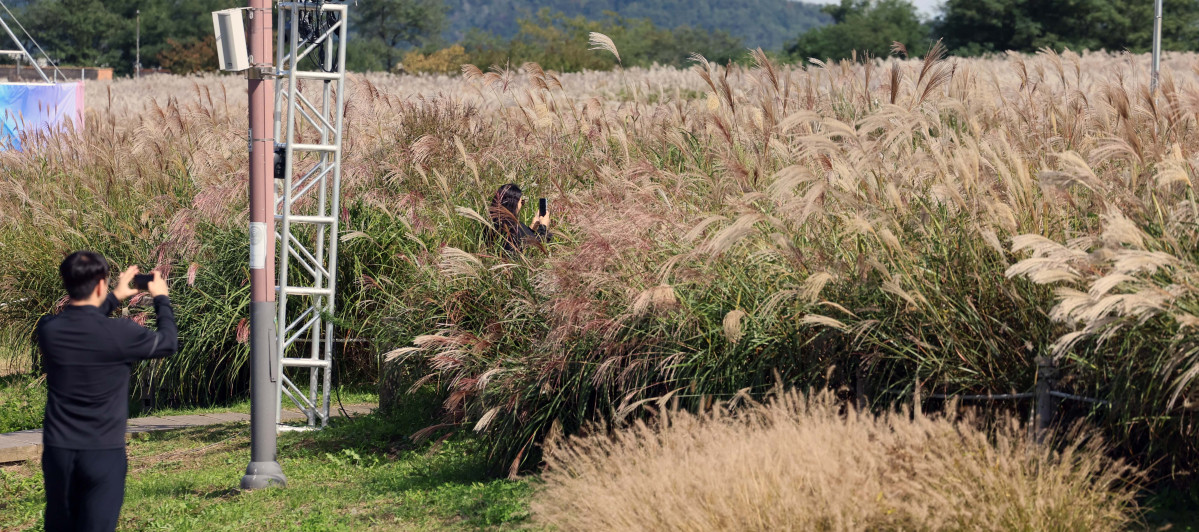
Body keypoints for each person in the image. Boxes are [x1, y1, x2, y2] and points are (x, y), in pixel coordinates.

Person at [35, 251, 177, 532]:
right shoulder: (121, 334)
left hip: (58, 451)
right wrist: (161, 297)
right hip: (103, 452)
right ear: (100, 284)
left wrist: (112, 296)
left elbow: (82, 319)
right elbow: (168, 342)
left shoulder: (48, 330)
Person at [489, 183, 551, 253]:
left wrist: (531, 228)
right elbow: (537, 248)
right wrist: (543, 227)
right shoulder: (514, 226)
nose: (522, 205)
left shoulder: (491, 224)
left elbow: (524, 241)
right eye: (522, 202)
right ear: (514, 203)